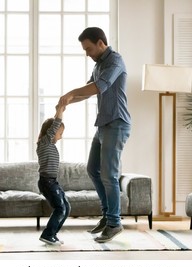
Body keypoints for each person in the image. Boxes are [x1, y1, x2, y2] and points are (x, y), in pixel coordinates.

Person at [58, 27, 131, 243]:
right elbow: (89, 88)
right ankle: (108, 216)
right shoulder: (99, 64)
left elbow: (100, 87)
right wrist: (68, 101)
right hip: (103, 125)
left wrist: (71, 93)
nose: (87, 53)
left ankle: (114, 222)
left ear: (101, 43)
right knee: (93, 170)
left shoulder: (115, 61)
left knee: (110, 174)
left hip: (117, 123)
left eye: (89, 48)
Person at [36, 104, 70, 245]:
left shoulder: (50, 145)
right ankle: (47, 234)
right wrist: (59, 111)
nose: (60, 137)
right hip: (46, 182)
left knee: (66, 207)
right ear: (51, 131)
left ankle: (52, 234)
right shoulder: (44, 143)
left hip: (52, 182)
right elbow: (56, 124)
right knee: (60, 208)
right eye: (59, 133)